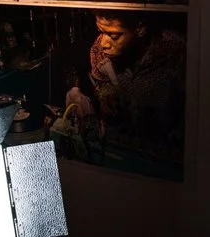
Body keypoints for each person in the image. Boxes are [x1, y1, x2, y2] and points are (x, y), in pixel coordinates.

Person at [65, 10, 186, 148]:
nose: (103, 43)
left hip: (167, 148)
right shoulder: (99, 49)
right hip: (120, 145)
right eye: (100, 31)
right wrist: (106, 94)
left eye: (114, 36)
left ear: (140, 29)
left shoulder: (176, 51)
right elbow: (101, 81)